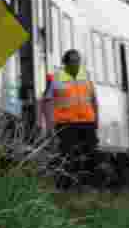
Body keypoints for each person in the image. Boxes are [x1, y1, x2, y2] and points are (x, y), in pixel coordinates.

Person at [42, 49, 99, 188]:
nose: (76, 64)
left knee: (90, 156)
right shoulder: (56, 78)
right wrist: (49, 125)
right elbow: (47, 101)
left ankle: (87, 186)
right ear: (65, 63)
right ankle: (65, 187)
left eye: (78, 61)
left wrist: (96, 119)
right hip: (66, 124)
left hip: (87, 123)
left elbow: (93, 100)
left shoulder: (86, 76)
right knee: (66, 157)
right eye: (73, 61)